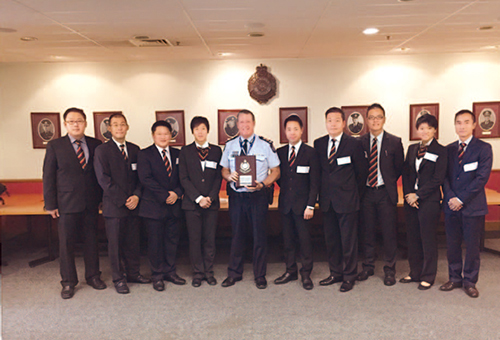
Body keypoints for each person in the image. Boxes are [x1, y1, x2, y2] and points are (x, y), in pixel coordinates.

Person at [43, 107, 105, 299]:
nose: (76, 124)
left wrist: (103, 199)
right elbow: (48, 176)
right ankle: (68, 282)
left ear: (85, 123)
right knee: (66, 245)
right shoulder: (55, 146)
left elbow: (101, 174)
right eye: (71, 121)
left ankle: (93, 276)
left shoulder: (96, 144)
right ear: (65, 124)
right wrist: (50, 204)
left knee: (91, 242)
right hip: (66, 204)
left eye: (79, 121)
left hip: (91, 202)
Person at [220, 109, 280, 289]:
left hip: (258, 196)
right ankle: (234, 273)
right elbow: (223, 169)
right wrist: (229, 177)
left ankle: (260, 274)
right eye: (241, 122)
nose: (245, 125)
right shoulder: (230, 145)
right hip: (237, 197)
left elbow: (276, 171)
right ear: (237, 125)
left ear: (253, 124)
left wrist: (263, 184)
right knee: (237, 235)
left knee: (259, 235)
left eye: (248, 122)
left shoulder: (265, 145)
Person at [94, 113, 151, 294]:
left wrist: (136, 196)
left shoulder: (135, 150)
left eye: (122, 124)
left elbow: (141, 177)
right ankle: (118, 278)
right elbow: (103, 180)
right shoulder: (102, 151)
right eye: (115, 125)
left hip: (134, 205)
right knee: (115, 244)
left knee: (133, 242)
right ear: (109, 129)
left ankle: (134, 273)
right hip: (114, 207)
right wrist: (123, 200)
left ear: (127, 127)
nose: (119, 128)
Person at [314, 107, 368, 292]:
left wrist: (352, 193)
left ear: (344, 123)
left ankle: (349, 276)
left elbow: (361, 173)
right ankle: (335, 273)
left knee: (348, 241)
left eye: (337, 120)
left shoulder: (354, 144)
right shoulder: (319, 143)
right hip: (327, 201)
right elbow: (319, 172)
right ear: (326, 122)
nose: (333, 124)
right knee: (331, 240)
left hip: (347, 200)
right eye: (329, 120)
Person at [440, 109, 493, 298]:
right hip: (450, 205)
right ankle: (454, 278)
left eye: (466, 122)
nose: (461, 126)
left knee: (472, 247)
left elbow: (481, 178)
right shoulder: (448, 149)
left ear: (473, 125)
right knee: (452, 245)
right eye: (458, 122)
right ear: (454, 125)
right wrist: (451, 198)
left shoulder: (483, 148)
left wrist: (461, 199)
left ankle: (470, 281)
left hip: (473, 206)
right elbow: (444, 177)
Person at [357, 103, 404, 286]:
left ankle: (390, 269)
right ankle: (368, 266)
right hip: (366, 192)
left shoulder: (395, 141)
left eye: (379, 117)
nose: (375, 120)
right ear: (366, 120)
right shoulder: (359, 142)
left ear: (384, 119)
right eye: (371, 117)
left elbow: (399, 168)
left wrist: (387, 181)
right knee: (367, 231)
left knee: (389, 232)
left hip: (385, 192)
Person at [137, 120, 186, 292]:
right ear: (153, 135)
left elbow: (184, 177)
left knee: (172, 241)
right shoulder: (144, 154)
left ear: (171, 136)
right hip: (153, 207)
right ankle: (157, 275)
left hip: (174, 206)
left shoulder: (178, 153)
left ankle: (170, 272)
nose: (163, 137)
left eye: (166, 134)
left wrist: (177, 193)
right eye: (160, 134)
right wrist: (165, 195)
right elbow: (145, 179)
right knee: (155, 243)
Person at [401, 114, 447, 290]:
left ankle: (428, 275)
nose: (424, 131)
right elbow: (406, 174)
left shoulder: (441, 150)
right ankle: (414, 272)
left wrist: (418, 195)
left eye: (428, 128)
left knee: (427, 238)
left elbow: (438, 178)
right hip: (410, 201)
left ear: (434, 129)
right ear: (417, 130)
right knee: (412, 238)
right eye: (421, 128)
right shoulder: (412, 149)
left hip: (429, 201)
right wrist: (408, 195)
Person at [274, 115, 319, 290]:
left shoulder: (311, 152)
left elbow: (315, 182)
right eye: (288, 129)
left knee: (304, 240)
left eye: (295, 129)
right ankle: (290, 270)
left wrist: (310, 205)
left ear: (302, 131)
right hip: (285, 204)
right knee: (287, 240)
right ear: (285, 132)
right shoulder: (280, 152)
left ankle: (306, 273)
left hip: (303, 207)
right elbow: (279, 178)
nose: (292, 132)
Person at [179, 116, 222, 287]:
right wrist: (198, 198)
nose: (200, 132)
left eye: (203, 128)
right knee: (195, 239)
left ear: (208, 130)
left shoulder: (217, 151)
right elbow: (183, 178)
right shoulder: (185, 151)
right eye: (197, 129)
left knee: (209, 239)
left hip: (211, 204)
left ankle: (209, 272)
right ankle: (197, 272)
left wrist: (210, 198)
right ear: (192, 132)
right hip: (192, 204)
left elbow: (219, 177)